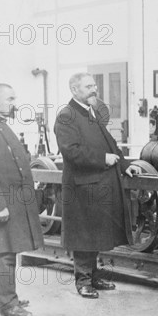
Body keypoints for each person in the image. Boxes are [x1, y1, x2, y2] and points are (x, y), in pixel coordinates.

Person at [54, 73, 142, 299]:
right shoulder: (67, 116)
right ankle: (83, 281)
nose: (95, 90)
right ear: (74, 90)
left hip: (97, 185)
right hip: (81, 188)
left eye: (95, 85)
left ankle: (92, 276)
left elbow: (110, 145)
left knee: (95, 233)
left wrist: (123, 165)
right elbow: (72, 152)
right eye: (89, 86)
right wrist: (103, 158)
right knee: (84, 234)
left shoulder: (92, 112)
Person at [0, 83, 44, 316]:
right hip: (1, 202)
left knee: (0, 250)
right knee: (3, 252)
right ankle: (8, 304)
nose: (15, 103)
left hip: (9, 201)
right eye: (10, 98)